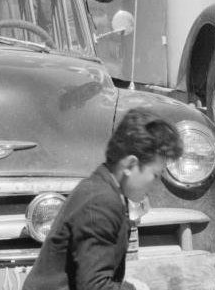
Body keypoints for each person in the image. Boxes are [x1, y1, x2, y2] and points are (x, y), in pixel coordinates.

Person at [22, 108, 182, 290]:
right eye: (155, 175)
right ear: (130, 164)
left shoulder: (105, 188)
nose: (155, 184)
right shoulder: (101, 202)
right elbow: (94, 286)